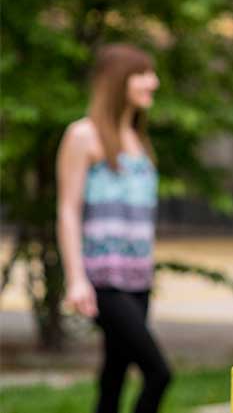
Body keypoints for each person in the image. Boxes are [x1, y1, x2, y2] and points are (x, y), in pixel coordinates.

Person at [56, 44, 171, 413]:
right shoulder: (83, 136)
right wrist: (76, 278)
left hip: (138, 277)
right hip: (103, 278)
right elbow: (68, 209)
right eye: (142, 74)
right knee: (158, 373)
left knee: (114, 374)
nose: (152, 82)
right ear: (118, 80)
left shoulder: (139, 140)